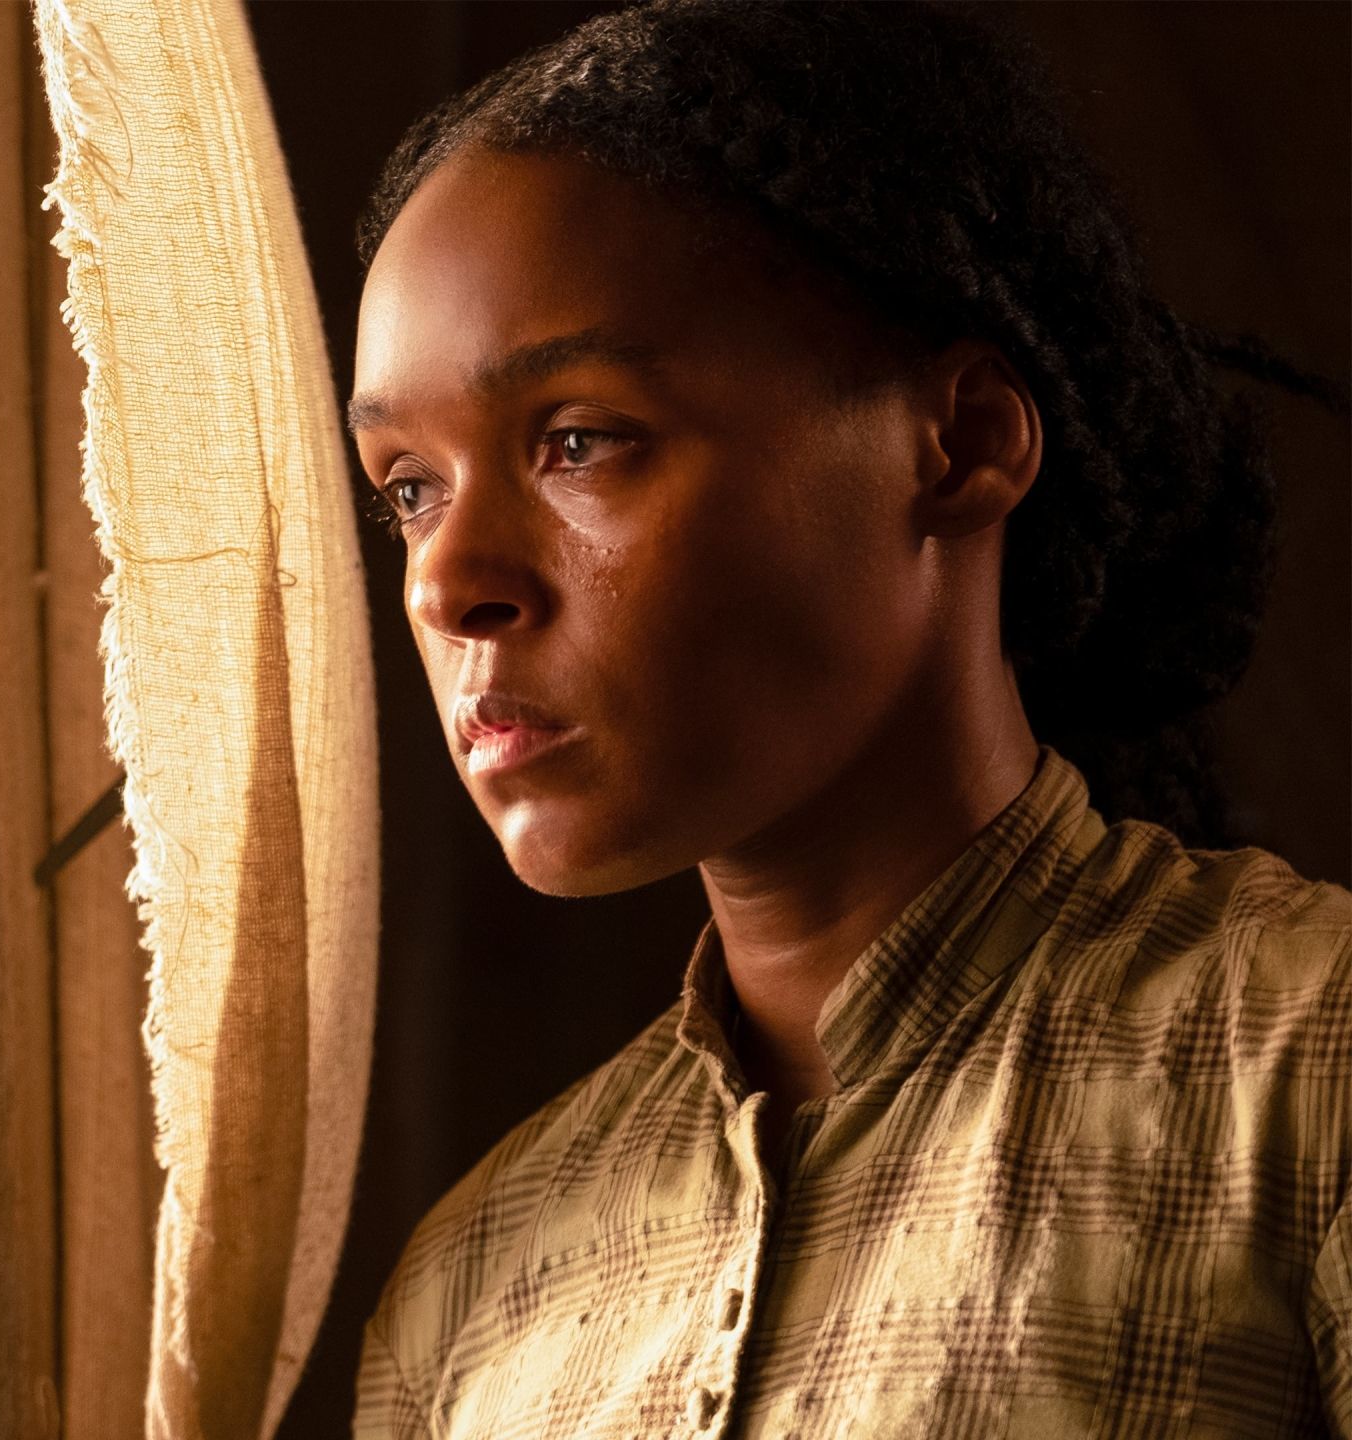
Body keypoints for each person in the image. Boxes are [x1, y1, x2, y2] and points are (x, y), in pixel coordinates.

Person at [341, 2, 1352, 1435]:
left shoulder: (1308, 1068)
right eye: (409, 489)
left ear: (963, 444)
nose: (447, 582)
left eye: (579, 441)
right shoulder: (465, 1297)